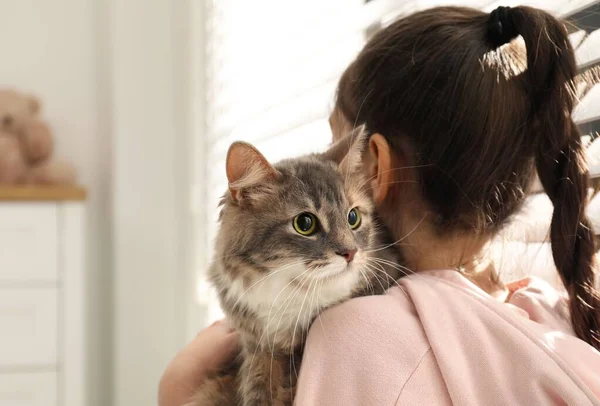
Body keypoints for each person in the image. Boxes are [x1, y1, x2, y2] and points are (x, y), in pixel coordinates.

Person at [160, 5, 600, 405]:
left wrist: (175, 394)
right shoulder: (550, 310)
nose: (328, 159)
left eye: (337, 141)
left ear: (375, 166)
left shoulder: (357, 338)